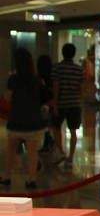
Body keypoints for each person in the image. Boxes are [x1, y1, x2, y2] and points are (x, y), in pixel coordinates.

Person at [2, 48, 50, 189]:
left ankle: (7, 177)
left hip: (16, 120)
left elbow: (7, 98)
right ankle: (31, 180)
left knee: (11, 151)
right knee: (32, 153)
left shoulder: (13, 79)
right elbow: (45, 98)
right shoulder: (37, 80)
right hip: (33, 122)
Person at [52, 43, 85, 168]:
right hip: (75, 104)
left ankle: (61, 151)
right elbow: (81, 88)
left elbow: (56, 87)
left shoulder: (57, 68)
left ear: (63, 53)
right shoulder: (79, 70)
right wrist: (80, 101)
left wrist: (55, 104)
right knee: (73, 131)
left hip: (61, 103)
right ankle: (71, 157)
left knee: (56, 127)